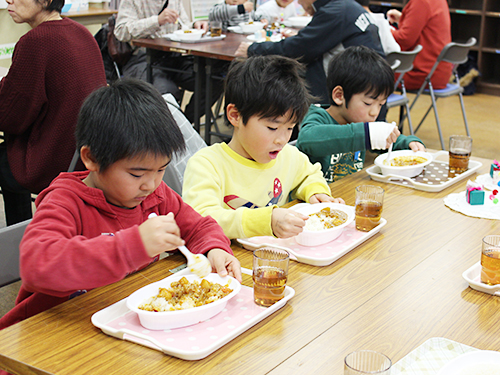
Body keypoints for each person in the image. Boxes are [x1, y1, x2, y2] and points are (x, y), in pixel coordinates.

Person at [0, 79, 241, 331]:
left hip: (119, 322)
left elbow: (198, 227)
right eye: (137, 174)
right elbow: (38, 265)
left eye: (161, 169)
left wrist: (214, 248)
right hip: (53, 331)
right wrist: (133, 245)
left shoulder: (155, 196)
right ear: (91, 158)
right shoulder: (65, 202)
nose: (150, 184)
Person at [182, 56, 344, 240]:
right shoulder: (207, 164)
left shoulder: (288, 156)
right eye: (272, 128)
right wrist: (265, 221)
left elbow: (309, 174)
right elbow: (201, 219)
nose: (282, 140)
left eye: (290, 128)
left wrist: (316, 192)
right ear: (235, 116)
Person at [0, 0, 107, 226]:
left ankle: (19, 232)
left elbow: (9, 119)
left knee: (5, 160)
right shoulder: (82, 32)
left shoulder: (34, 42)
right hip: (86, 156)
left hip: (52, 161)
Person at [296, 46, 425, 183]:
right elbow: (307, 139)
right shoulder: (317, 117)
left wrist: (408, 143)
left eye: (381, 104)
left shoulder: (360, 122)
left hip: (347, 194)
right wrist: (368, 134)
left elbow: (389, 141)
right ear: (339, 96)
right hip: (314, 199)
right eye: (368, 103)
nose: (374, 112)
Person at [235, 0, 384, 104]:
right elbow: (309, 44)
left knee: (277, 72)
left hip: (350, 91)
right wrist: (305, 39)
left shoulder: (335, 12)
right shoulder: (346, 6)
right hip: (371, 86)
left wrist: (252, 49)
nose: (299, 3)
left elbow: (295, 50)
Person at [114, 0, 226, 124]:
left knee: (214, 81)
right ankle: (172, 130)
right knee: (167, 94)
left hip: (174, 56)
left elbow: (183, 24)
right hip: (143, 58)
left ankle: (184, 125)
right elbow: (121, 31)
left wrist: (195, 25)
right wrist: (157, 21)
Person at [387, 0, 452, 90]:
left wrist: (383, 29)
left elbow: (404, 39)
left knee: (373, 74)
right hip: (438, 73)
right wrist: (404, 19)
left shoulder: (421, 2)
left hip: (420, 74)